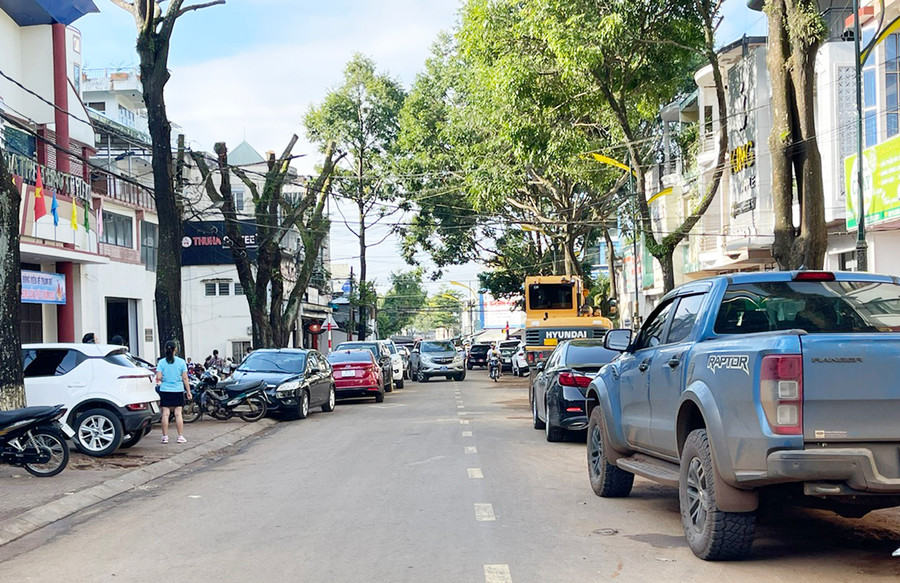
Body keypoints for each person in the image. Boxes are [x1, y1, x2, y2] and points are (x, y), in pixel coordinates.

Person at [156, 340, 191, 444]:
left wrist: (165, 380)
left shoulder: (161, 362)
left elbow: (158, 377)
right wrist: (188, 391)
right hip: (178, 390)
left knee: (165, 414)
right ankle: (180, 436)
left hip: (165, 390)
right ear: (175, 349)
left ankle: (165, 437)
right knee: (178, 414)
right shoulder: (181, 362)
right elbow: (185, 378)